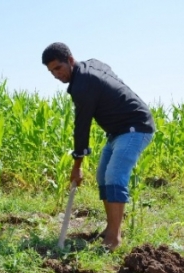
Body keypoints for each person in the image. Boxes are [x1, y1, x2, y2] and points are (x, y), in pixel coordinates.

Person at [41, 42, 155, 250]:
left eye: (58, 68)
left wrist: (77, 165)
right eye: (51, 71)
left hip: (135, 128)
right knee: (103, 176)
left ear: (71, 60)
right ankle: (112, 228)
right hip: (117, 132)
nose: (56, 74)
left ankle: (113, 239)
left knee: (114, 176)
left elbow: (81, 127)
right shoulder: (89, 67)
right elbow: (106, 69)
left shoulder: (83, 85)